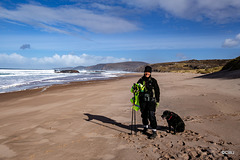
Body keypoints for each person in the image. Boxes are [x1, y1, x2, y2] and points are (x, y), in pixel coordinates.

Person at [137, 66, 160, 139]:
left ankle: (154, 131)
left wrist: (157, 100)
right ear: (144, 72)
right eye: (146, 72)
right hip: (142, 101)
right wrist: (135, 89)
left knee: (151, 115)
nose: (147, 73)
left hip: (151, 101)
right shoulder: (140, 80)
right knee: (144, 115)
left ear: (150, 73)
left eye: (149, 72)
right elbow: (136, 89)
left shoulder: (153, 80)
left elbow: (157, 91)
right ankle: (145, 127)